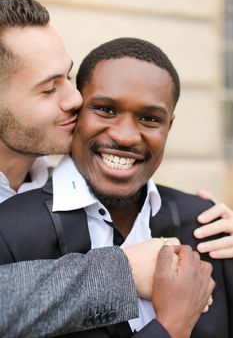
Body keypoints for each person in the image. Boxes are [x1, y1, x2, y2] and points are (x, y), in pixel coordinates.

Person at [0, 37, 224, 337]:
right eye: (105, 110)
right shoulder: (11, 229)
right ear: (76, 114)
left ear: (169, 126)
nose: (126, 136)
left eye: (149, 118)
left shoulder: (210, 229)